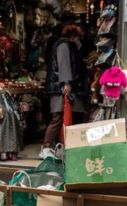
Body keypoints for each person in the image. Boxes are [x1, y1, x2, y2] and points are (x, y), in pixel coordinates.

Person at [40, 23, 89, 159]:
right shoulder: (64, 45)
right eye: (77, 37)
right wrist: (66, 83)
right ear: (73, 36)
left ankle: (60, 147)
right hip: (61, 88)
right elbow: (64, 64)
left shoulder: (67, 45)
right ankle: (46, 147)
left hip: (64, 88)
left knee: (65, 117)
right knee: (58, 117)